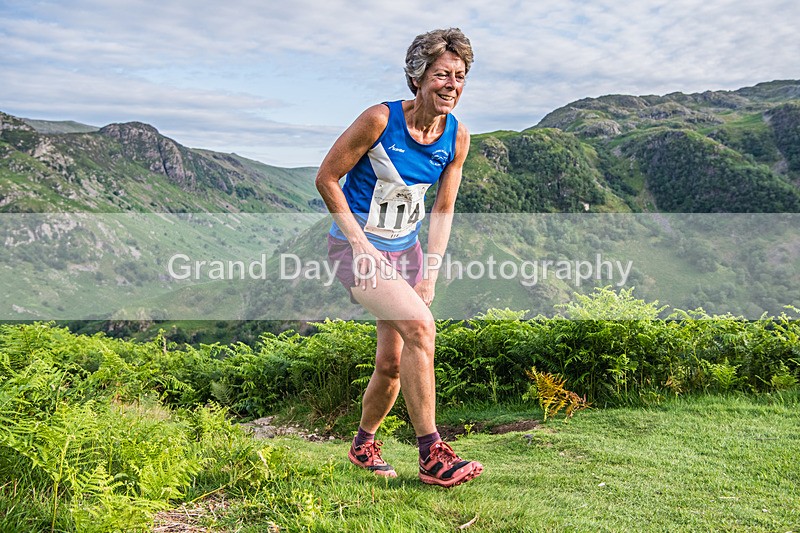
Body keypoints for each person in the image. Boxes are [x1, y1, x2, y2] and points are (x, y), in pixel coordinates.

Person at [315, 27, 483, 488]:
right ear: (418, 77)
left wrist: (430, 272)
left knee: (392, 362)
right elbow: (326, 178)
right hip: (356, 250)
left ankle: (363, 445)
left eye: (460, 76)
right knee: (421, 328)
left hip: (407, 252)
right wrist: (360, 244)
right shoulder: (379, 120)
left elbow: (443, 208)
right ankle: (432, 454)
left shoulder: (456, 137)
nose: (452, 85)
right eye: (442, 75)